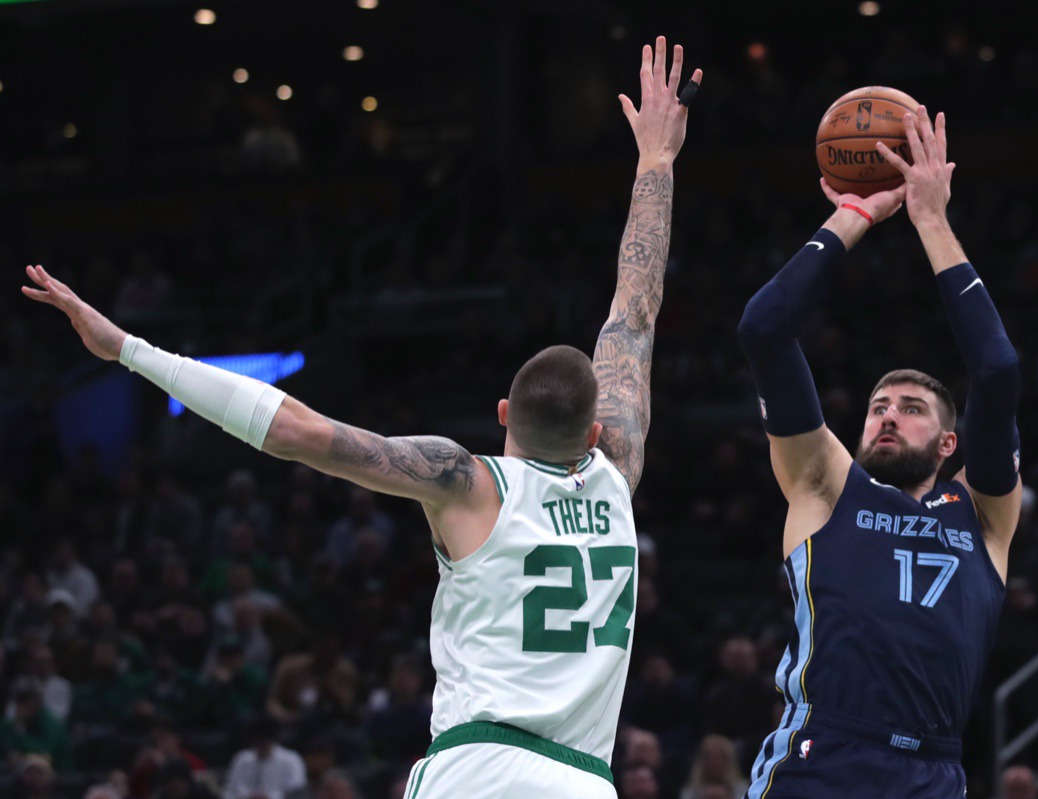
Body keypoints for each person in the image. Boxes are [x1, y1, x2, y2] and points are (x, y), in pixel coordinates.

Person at [22, 34, 700, 799]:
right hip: (585, 781)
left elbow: (297, 431)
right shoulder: (619, 473)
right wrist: (655, 163)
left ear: (504, 412)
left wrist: (129, 349)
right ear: (598, 431)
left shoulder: (468, 481)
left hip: (476, 768)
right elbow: (634, 313)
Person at [736, 107, 1021, 798]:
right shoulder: (827, 484)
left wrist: (930, 220)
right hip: (822, 752)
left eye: (912, 408)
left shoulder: (982, 514)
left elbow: (998, 368)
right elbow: (765, 328)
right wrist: (856, 214)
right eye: (877, 406)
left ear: (949, 444)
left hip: (934, 769)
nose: (887, 415)